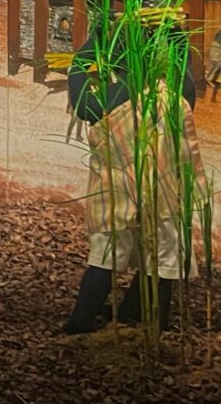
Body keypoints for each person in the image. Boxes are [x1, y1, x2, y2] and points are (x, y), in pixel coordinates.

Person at [59, 21, 202, 333]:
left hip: (117, 192)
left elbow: (83, 104)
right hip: (166, 193)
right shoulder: (177, 94)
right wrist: (178, 41)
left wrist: (89, 48)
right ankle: (151, 324)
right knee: (162, 255)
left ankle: (81, 323)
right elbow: (188, 79)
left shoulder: (115, 94)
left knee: (107, 254)